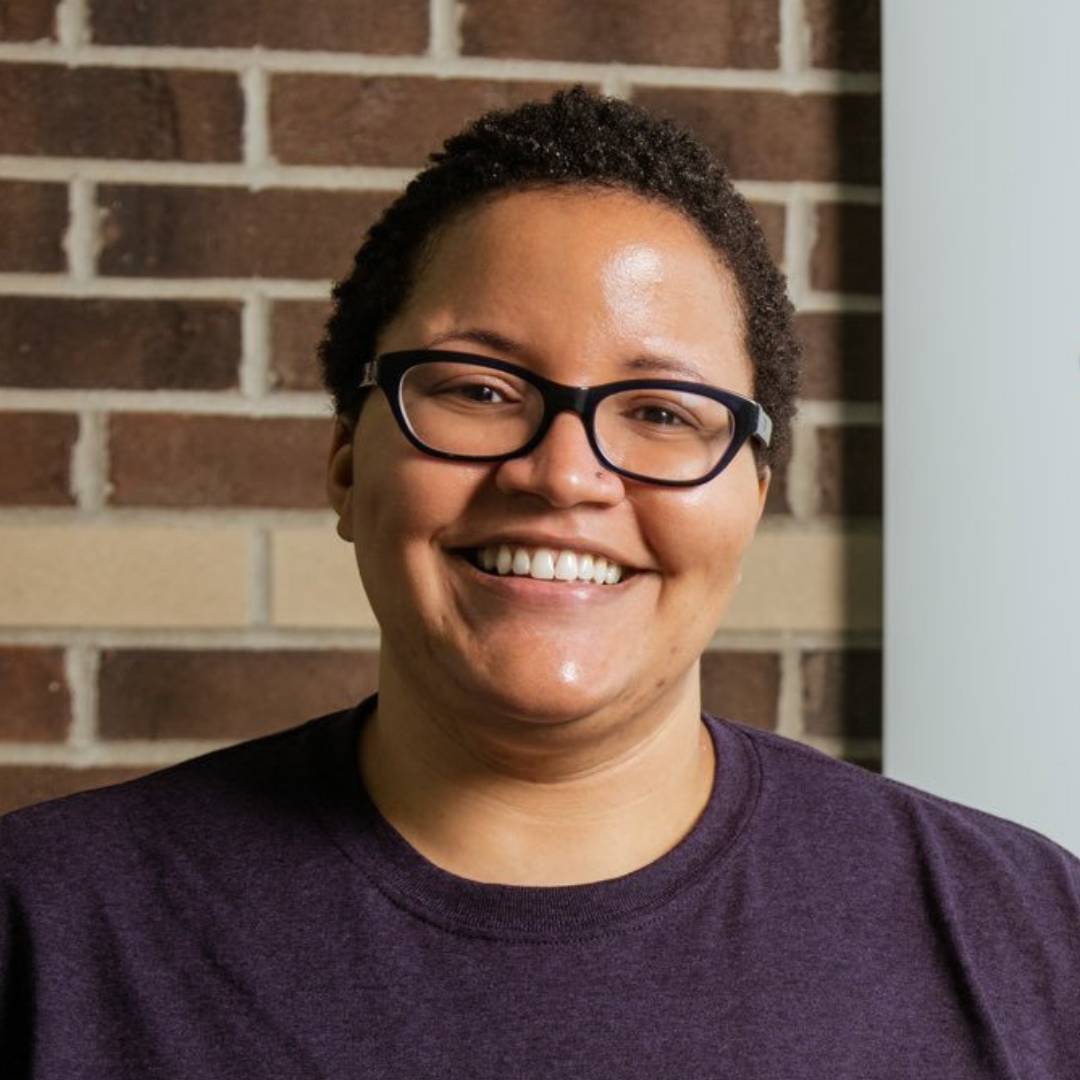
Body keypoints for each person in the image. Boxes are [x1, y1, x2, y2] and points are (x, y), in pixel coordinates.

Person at [1, 86, 1077, 1079]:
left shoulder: (1033, 939)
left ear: (752, 498)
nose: (563, 475)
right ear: (346, 463)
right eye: (479, 389)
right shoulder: (43, 933)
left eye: (660, 411)